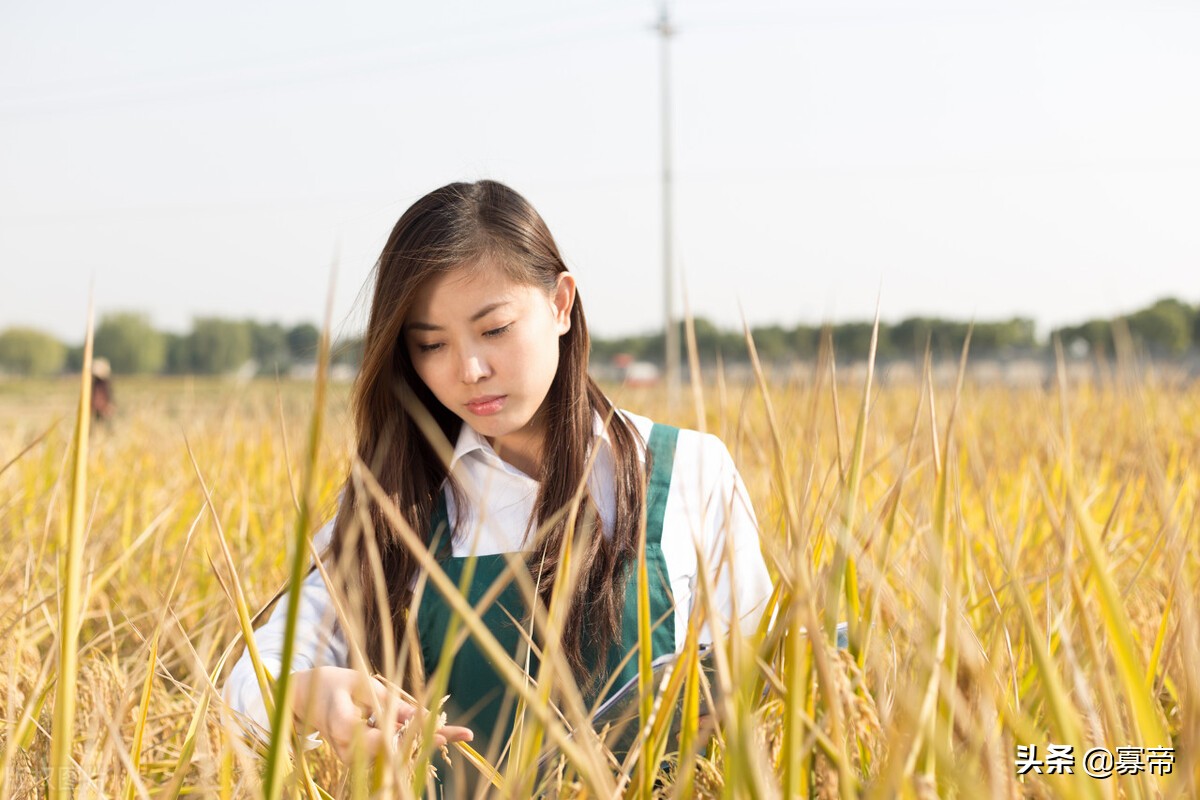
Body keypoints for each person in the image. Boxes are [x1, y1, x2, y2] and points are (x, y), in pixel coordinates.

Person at [222, 180, 773, 785]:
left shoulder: (689, 470)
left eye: (494, 330)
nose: (469, 370)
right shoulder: (398, 499)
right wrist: (310, 691)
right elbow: (255, 675)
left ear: (562, 304)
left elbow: (764, 689)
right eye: (431, 344)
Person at [91, 358, 116, 422]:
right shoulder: (96, 383)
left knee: (101, 422)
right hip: (97, 406)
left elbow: (108, 394)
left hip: (101, 407)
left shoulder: (104, 383)